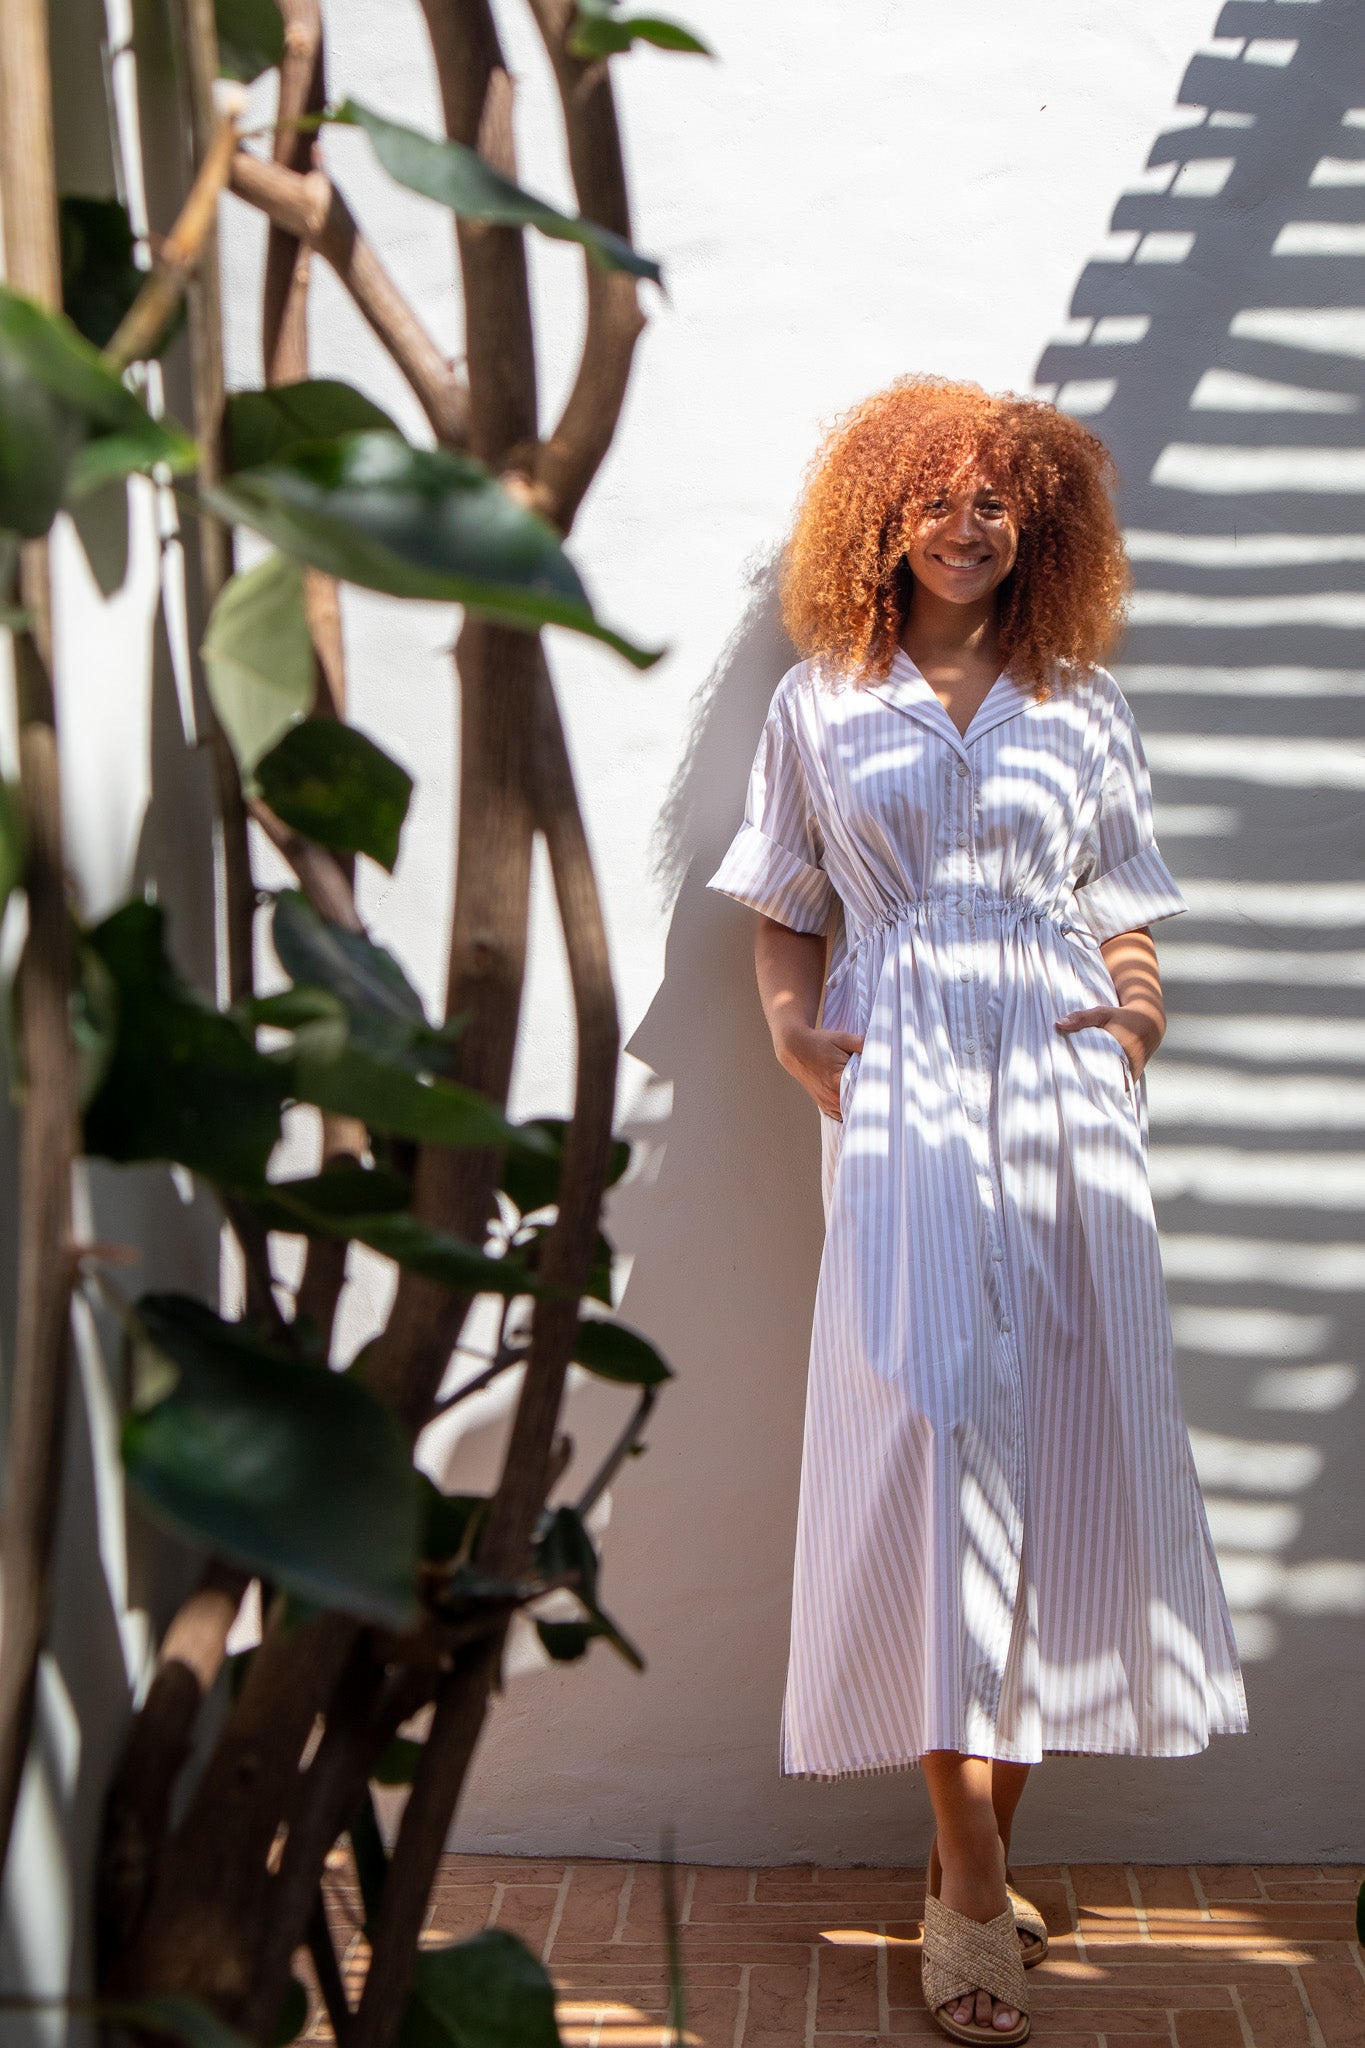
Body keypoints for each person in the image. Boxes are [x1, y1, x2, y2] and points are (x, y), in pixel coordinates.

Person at [707, 379, 1247, 2045]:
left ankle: (971, 1873)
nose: (965, 521)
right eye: (935, 497)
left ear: (1040, 531)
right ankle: (962, 1877)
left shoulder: (1080, 708)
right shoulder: (821, 703)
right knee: (933, 1441)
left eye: (996, 502)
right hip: (901, 1104)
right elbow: (783, 905)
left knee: (1063, 1450)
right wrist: (798, 1033)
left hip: (1066, 1106)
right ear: (883, 519)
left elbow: (1126, 904)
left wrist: (1131, 1020)